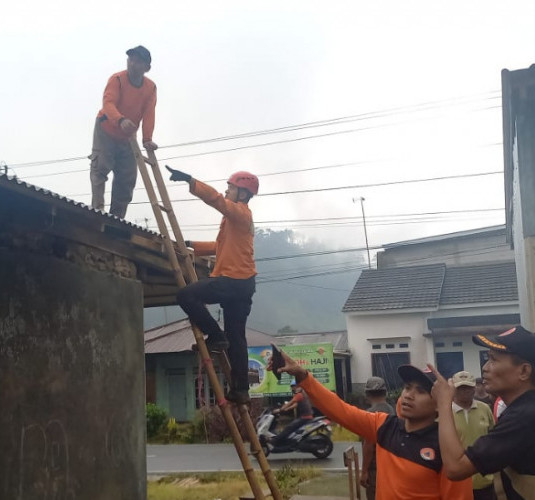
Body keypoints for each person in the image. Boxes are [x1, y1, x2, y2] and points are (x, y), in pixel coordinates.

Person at [269, 351, 473, 500]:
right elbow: (340, 410)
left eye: (420, 391)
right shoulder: (384, 425)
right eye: (407, 388)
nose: (409, 395)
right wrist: (303, 376)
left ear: (439, 403)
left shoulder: (446, 449)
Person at [431, 326, 535, 500]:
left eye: (493, 359)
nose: (485, 368)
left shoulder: (524, 418)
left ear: (524, 371)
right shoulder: (529, 412)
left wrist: (443, 404)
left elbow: (456, 468)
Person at [166, 166, 259, 404]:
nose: (227, 190)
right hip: (244, 284)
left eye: (231, 187)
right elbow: (220, 246)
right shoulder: (238, 220)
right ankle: (241, 390)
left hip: (232, 280)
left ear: (243, 194)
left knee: (186, 296)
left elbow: (216, 200)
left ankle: (215, 336)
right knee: (236, 337)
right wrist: (190, 244)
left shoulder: (239, 213)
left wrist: (191, 180)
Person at [90, 45, 158, 219]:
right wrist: (120, 120)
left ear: (147, 68)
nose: (133, 64)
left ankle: (117, 219)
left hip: (128, 137)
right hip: (106, 129)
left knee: (126, 179)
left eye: (138, 61)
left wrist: (147, 139)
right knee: (100, 168)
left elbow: (149, 113)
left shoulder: (150, 88)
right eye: (131, 60)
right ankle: (97, 211)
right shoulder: (118, 79)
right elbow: (108, 104)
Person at [451, 371, 497, 500]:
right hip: (458, 481)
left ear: (474, 388)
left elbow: (493, 437)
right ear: (453, 390)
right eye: (461, 388)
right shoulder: (445, 414)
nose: (465, 391)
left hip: (484, 479)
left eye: (468, 387)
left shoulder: (485, 409)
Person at [360, 377, 395, 500]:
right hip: (393, 466)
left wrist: (364, 471)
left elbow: (368, 445)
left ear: (367, 394)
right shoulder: (393, 411)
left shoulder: (369, 415)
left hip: (376, 469)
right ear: (385, 392)